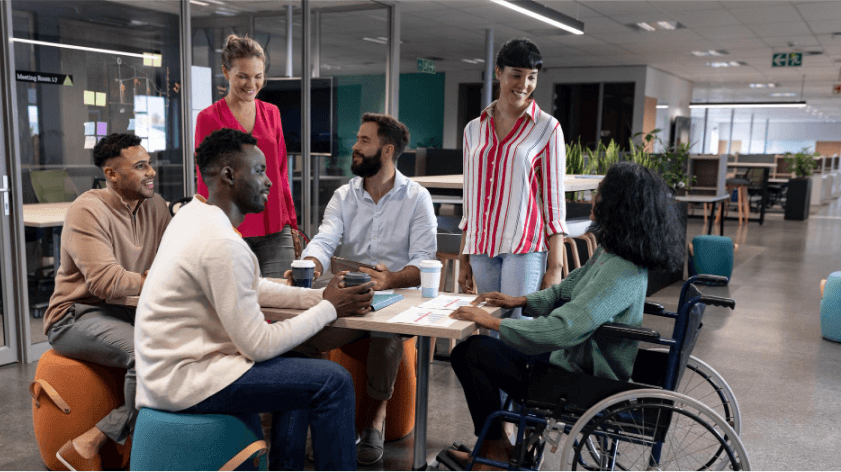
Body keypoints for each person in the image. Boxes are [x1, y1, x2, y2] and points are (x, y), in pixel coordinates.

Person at [134, 128, 375, 471]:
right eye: (260, 171)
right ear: (230, 175)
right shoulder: (223, 244)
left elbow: (252, 286)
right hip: (188, 382)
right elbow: (258, 346)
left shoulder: (192, 216)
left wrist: (318, 295)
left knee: (301, 368)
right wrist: (329, 308)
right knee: (332, 382)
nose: (270, 182)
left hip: (168, 375)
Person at [445, 162, 685, 470]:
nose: (593, 199)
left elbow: (564, 328)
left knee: (470, 352)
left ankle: (493, 453)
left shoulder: (620, 270)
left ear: (618, 204)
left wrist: (491, 321)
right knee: (477, 352)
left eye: (600, 193)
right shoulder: (612, 253)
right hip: (576, 358)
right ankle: (495, 448)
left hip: (582, 377)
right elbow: (565, 291)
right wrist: (521, 300)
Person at [284, 112, 437, 465]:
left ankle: (374, 421)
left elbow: (423, 262)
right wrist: (310, 265)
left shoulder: (417, 198)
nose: (354, 146)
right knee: (299, 337)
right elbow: (325, 239)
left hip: (397, 300)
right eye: (357, 139)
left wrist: (391, 279)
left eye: (364, 141)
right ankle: (319, 420)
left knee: (386, 338)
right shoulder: (343, 195)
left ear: (386, 150)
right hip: (350, 297)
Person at [44, 133, 172, 472]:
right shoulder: (88, 210)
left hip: (128, 310)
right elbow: (105, 283)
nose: (152, 173)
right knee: (142, 353)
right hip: (75, 315)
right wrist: (155, 278)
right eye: (141, 166)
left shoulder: (156, 207)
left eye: (150, 164)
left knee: (190, 345)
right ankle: (140, 455)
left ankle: (92, 440)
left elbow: (176, 263)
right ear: (112, 174)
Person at [458, 38, 566, 326]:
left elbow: (554, 204)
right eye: (516, 74)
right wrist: (464, 255)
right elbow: (471, 199)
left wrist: (554, 267)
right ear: (498, 72)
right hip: (481, 247)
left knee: (517, 329)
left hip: (524, 247)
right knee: (488, 327)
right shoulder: (473, 130)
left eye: (531, 77)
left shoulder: (547, 128)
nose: (524, 84)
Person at [194, 34, 297, 277]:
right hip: (230, 230)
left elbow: (281, 172)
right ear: (226, 72)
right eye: (242, 76)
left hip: (275, 228)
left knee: (284, 305)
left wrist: (291, 222)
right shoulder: (208, 118)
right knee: (236, 308)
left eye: (258, 76)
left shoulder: (272, 113)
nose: (251, 84)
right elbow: (204, 179)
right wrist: (208, 228)